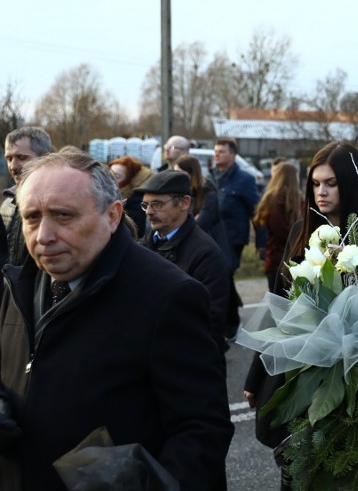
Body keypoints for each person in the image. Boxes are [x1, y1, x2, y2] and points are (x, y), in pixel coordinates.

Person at [0, 151, 233, 490]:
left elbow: (201, 431)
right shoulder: (14, 286)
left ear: (112, 216)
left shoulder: (167, 296)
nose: (43, 235)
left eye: (63, 216)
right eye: (31, 218)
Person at [243, 142, 358, 489]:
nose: (322, 192)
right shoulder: (303, 230)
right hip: (294, 369)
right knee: (294, 467)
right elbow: (280, 305)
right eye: (315, 184)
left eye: (331, 183)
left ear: (351, 183)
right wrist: (256, 375)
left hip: (347, 374)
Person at [136, 169, 230, 354]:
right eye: (145, 205)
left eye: (157, 205)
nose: (149, 212)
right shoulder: (142, 246)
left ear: (184, 203)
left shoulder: (206, 255)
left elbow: (210, 323)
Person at [212, 137, 260, 340]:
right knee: (222, 278)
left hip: (233, 238)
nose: (217, 154)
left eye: (221, 151)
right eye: (215, 151)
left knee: (225, 276)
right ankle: (228, 313)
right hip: (213, 236)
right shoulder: (212, 177)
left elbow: (256, 212)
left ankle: (231, 322)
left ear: (233, 155)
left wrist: (261, 241)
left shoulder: (244, 179)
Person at [2, 126, 51, 266]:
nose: (13, 166)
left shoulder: (60, 202)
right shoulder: (7, 203)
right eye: (9, 158)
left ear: (45, 159)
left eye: (21, 157)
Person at [252, 161, 302, 291]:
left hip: (278, 258)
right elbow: (282, 231)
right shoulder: (278, 201)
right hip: (284, 260)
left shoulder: (275, 199)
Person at [175, 154, 232, 265]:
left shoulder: (207, 193)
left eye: (181, 173)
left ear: (192, 174)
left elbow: (201, 224)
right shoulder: (178, 194)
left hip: (209, 249)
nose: (177, 177)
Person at [108, 155, 152, 234]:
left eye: (116, 176)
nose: (110, 179)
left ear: (129, 181)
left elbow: (134, 229)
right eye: (110, 174)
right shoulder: (109, 193)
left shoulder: (136, 200)